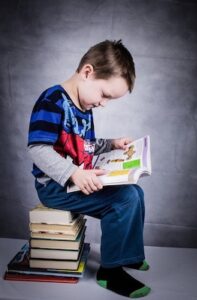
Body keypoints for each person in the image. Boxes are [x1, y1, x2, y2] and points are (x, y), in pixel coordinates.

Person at [27, 39, 151, 298]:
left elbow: (87, 145)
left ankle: (129, 254)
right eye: (105, 95)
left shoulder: (84, 107)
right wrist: (73, 172)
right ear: (87, 72)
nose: (104, 103)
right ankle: (111, 271)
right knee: (124, 200)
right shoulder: (52, 101)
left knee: (135, 192)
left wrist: (112, 144)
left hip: (76, 181)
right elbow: (38, 149)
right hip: (56, 187)